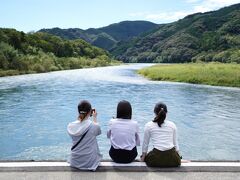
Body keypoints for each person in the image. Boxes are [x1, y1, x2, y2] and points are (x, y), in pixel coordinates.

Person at [141, 102, 181, 167]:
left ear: (154, 112)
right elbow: (175, 144)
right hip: (173, 160)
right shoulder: (172, 125)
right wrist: (179, 158)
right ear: (166, 113)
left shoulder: (148, 125)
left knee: (148, 156)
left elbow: (145, 144)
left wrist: (143, 158)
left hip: (155, 160)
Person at [67, 100, 102, 171]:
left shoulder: (70, 126)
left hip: (75, 161)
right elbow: (97, 131)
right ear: (90, 112)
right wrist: (94, 118)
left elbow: (81, 124)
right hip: (90, 162)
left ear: (78, 111)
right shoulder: (93, 126)